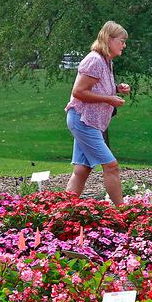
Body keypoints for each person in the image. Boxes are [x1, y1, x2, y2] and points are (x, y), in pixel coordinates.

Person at [64, 21, 131, 205]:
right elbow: (78, 92)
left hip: (89, 122)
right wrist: (109, 99)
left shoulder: (106, 61)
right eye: (121, 41)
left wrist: (116, 89)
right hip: (83, 120)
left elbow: (97, 88)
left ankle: (63, 211)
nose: (124, 45)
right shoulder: (94, 60)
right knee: (111, 166)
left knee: (82, 170)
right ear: (109, 40)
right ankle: (123, 213)